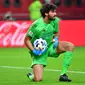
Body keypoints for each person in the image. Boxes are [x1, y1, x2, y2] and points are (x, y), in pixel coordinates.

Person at [24, 3, 74, 82]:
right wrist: (34, 50)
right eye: (53, 12)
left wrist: (56, 39)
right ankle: (32, 76)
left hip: (50, 46)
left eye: (55, 11)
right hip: (39, 52)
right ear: (46, 13)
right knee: (38, 79)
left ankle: (63, 75)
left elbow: (56, 32)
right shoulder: (36, 26)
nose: (55, 14)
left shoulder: (55, 20)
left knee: (70, 46)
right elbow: (26, 40)